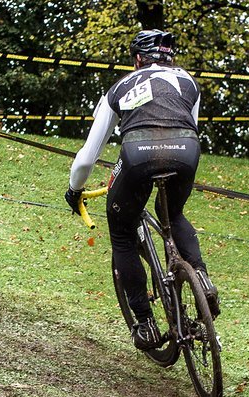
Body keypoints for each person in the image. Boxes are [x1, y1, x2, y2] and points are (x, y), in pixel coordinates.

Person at [66, 29, 218, 351]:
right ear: (170, 58)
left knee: (121, 229)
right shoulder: (188, 82)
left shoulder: (120, 87)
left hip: (138, 154)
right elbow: (190, 126)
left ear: (137, 59)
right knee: (173, 213)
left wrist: (73, 189)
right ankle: (202, 278)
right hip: (187, 150)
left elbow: (86, 158)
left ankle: (145, 322)